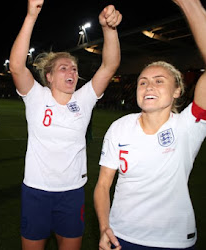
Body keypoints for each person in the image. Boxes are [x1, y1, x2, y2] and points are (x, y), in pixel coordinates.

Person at [9, 0, 122, 249]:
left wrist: (108, 29)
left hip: (72, 193)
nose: (71, 70)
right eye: (63, 67)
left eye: (74, 67)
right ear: (49, 76)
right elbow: (17, 66)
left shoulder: (84, 98)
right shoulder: (37, 96)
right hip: (36, 192)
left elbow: (109, 65)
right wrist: (30, 16)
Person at [94, 0, 206, 249]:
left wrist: (190, 5)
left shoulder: (189, 125)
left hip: (172, 241)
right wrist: (104, 226)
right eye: (143, 82)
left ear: (177, 91)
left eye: (159, 81)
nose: (149, 86)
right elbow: (103, 186)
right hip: (120, 237)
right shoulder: (119, 127)